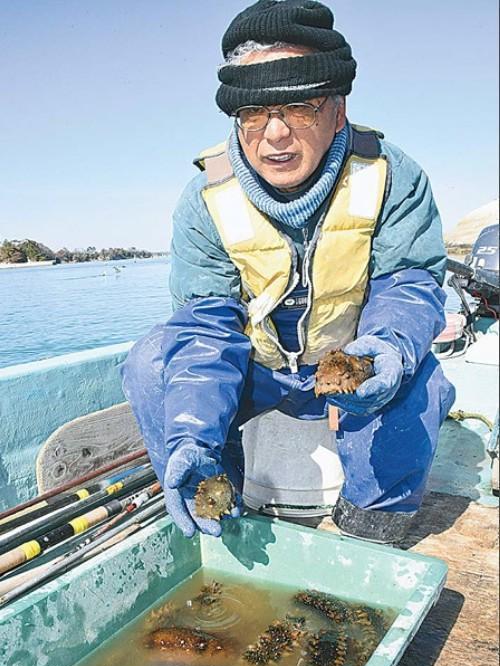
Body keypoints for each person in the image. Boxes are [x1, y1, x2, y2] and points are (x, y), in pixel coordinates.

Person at [122, 0, 456, 545]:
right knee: (152, 363)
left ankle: (371, 526)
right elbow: (206, 326)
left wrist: (388, 349)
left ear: (338, 109)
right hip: (258, 370)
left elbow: (410, 284)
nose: (274, 134)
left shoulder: (394, 176)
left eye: (299, 108)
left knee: (423, 381)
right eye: (253, 113)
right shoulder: (204, 199)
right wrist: (190, 433)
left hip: (352, 362)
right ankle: (215, 506)